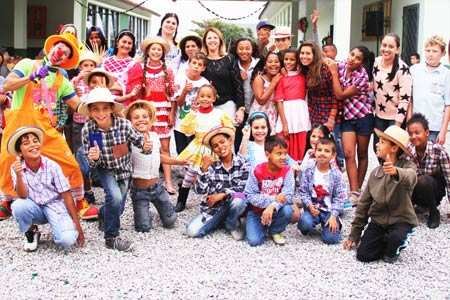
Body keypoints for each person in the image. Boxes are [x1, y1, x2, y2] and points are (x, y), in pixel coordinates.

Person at [0, 33, 97, 221]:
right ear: (51, 48)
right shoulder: (28, 64)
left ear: (66, 60)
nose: (59, 53)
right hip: (19, 124)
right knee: (7, 161)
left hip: (45, 130)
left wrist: (98, 109)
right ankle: (7, 202)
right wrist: (31, 77)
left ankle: (78, 201)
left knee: (68, 161)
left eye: (65, 53)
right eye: (58, 48)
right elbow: (7, 86)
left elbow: (76, 104)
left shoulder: (62, 79)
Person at [80, 87, 152, 251]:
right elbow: (91, 164)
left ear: (112, 109)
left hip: (124, 169)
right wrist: (94, 158)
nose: (101, 113)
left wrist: (147, 146)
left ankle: (103, 214)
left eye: (105, 108)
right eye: (96, 109)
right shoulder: (89, 130)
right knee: (115, 198)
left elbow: (140, 142)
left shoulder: (124, 125)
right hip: (105, 169)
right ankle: (111, 237)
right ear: (90, 111)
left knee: (117, 207)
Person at [343, 125, 418, 263]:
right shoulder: (375, 173)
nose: (377, 144)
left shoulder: (408, 167)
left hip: (401, 220)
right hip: (379, 220)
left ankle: (401, 237)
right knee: (364, 255)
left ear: (394, 148)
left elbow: (411, 177)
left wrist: (396, 172)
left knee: (390, 255)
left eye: (382, 142)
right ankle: (386, 239)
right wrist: (354, 235)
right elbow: (363, 206)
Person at [8, 126, 84, 251]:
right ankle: (32, 232)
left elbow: (67, 195)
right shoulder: (16, 168)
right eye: (26, 143)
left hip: (55, 207)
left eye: (35, 141)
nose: (33, 145)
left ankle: (59, 228)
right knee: (18, 206)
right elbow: (22, 195)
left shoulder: (52, 166)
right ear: (20, 152)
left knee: (67, 240)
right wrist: (19, 175)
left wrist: (78, 226)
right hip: (35, 207)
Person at [125, 100, 187, 232]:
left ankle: (157, 211)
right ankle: (145, 214)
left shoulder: (154, 136)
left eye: (144, 117)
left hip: (157, 188)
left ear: (151, 119)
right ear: (129, 121)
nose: (141, 120)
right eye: (136, 117)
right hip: (139, 191)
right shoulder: (129, 140)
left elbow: (159, 157)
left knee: (171, 221)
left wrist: (178, 162)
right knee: (143, 228)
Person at [126, 36, 177, 194]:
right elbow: (133, 91)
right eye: (153, 49)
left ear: (162, 53)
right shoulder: (139, 68)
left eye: (159, 49)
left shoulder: (168, 70)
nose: (156, 52)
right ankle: (141, 180)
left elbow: (173, 95)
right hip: (146, 111)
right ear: (148, 51)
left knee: (164, 147)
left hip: (163, 110)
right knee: (143, 144)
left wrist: (172, 114)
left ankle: (168, 182)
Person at [175, 84, 234, 212]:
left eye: (208, 96)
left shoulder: (219, 113)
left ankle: (213, 201)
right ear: (197, 98)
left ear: (214, 98)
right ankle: (181, 200)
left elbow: (230, 128)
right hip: (198, 147)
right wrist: (191, 113)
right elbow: (186, 130)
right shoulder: (194, 114)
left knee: (214, 175)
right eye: (202, 96)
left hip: (215, 149)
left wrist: (225, 142)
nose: (205, 99)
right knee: (190, 175)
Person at [327, 46, 374, 205]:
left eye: (358, 58)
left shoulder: (362, 77)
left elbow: (340, 95)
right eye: (352, 54)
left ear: (362, 62)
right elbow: (324, 58)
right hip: (348, 117)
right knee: (348, 153)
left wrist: (333, 73)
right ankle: (353, 191)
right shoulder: (342, 65)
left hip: (363, 117)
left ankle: (357, 189)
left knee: (362, 154)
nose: (352, 58)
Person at [185, 126, 249, 240]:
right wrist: (204, 169)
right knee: (192, 231)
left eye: (222, 142)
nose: (220, 147)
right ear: (213, 150)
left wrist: (223, 194)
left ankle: (231, 224)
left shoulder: (243, 163)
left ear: (230, 141)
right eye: (215, 145)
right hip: (215, 209)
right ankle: (221, 220)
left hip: (234, 203)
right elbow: (199, 190)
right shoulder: (212, 166)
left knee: (239, 201)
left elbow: (243, 189)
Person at [245, 135, 294, 246]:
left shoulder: (287, 170)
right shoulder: (257, 170)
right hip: (256, 211)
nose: (283, 157)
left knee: (288, 211)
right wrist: (273, 199)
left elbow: (288, 195)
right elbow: (250, 195)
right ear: (268, 154)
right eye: (279, 153)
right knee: (254, 241)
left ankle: (275, 230)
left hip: (277, 210)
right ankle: (258, 224)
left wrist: (272, 206)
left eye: (285, 153)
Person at [201, 27, 245, 150]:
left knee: (228, 140)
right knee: (209, 140)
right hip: (208, 107)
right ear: (205, 41)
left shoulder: (229, 59)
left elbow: (238, 85)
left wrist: (240, 108)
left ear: (220, 41)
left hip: (227, 105)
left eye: (215, 37)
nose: (212, 40)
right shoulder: (201, 60)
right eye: (209, 38)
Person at [297, 138, 346, 244]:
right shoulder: (309, 170)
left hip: (329, 211)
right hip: (313, 209)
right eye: (319, 150)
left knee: (331, 239)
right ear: (315, 152)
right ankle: (312, 222)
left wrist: (333, 215)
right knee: (304, 224)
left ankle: (335, 222)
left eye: (327, 151)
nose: (322, 153)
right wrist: (309, 205)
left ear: (333, 155)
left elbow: (340, 197)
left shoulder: (336, 175)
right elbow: (303, 191)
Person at [68, 50, 101, 205]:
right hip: (78, 123)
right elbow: (68, 96)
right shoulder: (76, 81)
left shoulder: (97, 81)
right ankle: (86, 190)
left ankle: (95, 178)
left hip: (95, 124)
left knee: (95, 152)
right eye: (85, 65)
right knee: (81, 156)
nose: (88, 68)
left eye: (91, 65)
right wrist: (78, 79)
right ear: (80, 67)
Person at [406, 113, 450, 228]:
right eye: (410, 134)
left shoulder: (439, 151)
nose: (414, 136)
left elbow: (449, 180)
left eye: (417, 133)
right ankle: (409, 209)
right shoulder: (408, 151)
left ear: (427, 133)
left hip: (435, 192)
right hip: (416, 191)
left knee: (424, 180)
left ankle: (434, 212)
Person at [372, 33, 412, 153]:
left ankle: (392, 172)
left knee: (392, 152)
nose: (386, 49)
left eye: (391, 46)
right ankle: (384, 172)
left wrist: (397, 125)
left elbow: (405, 99)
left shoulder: (403, 69)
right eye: (384, 45)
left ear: (397, 49)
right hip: (379, 116)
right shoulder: (376, 62)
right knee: (378, 149)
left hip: (395, 118)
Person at [410, 36, 450, 144]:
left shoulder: (446, 74)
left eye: (435, 51)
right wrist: (409, 123)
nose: (430, 54)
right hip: (415, 126)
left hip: (434, 128)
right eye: (428, 50)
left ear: (443, 53)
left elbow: (448, 105)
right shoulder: (414, 70)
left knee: (431, 159)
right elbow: (410, 100)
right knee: (413, 159)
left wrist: (443, 131)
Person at [275, 48, 310, 161]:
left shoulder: (304, 76)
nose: (288, 62)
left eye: (292, 59)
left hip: (300, 116)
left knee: (300, 147)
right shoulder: (281, 77)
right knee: (283, 146)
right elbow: (279, 102)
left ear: (297, 61)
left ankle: (297, 174)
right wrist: (284, 123)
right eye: (286, 59)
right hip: (286, 115)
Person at [173, 52, 209, 155]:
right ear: (189, 64)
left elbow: (206, 105)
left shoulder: (204, 83)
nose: (196, 66)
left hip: (197, 124)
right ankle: (185, 171)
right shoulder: (180, 78)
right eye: (194, 63)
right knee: (181, 151)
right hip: (180, 122)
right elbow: (179, 103)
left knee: (195, 151)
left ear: (203, 68)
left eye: (200, 64)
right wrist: (184, 91)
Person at [250, 51, 281, 132]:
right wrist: (273, 83)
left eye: (276, 62)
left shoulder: (280, 77)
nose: (273, 64)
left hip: (272, 116)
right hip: (259, 117)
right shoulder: (259, 79)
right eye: (270, 62)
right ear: (265, 65)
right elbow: (261, 100)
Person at [230, 38, 261, 118]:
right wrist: (237, 77)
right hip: (239, 109)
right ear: (236, 50)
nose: (244, 51)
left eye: (247, 48)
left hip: (257, 107)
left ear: (252, 50)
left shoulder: (260, 64)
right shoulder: (232, 66)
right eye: (240, 48)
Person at [103, 30, 136, 96]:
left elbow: (134, 88)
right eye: (124, 42)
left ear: (132, 47)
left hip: (125, 102)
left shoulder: (134, 64)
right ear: (117, 43)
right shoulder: (106, 62)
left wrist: (117, 88)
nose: (126, 45)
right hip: (105, 100)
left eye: (129, 43)